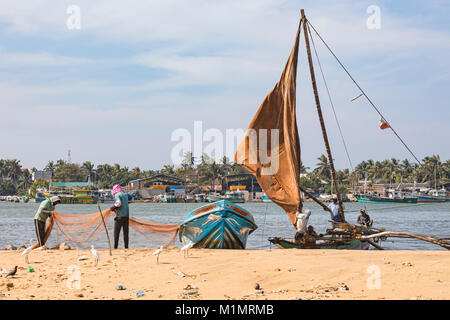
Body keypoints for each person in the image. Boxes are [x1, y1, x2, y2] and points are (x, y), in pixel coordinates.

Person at [110, 184, 133, 249]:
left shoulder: (117, 195)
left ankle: (115, 247)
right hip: (126, 217)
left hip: (119, 217)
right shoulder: (125, 194)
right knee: (126, 233)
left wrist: (113, 207)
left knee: (116, 233)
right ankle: (126, 247)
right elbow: (131, 198)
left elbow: (118, 203)